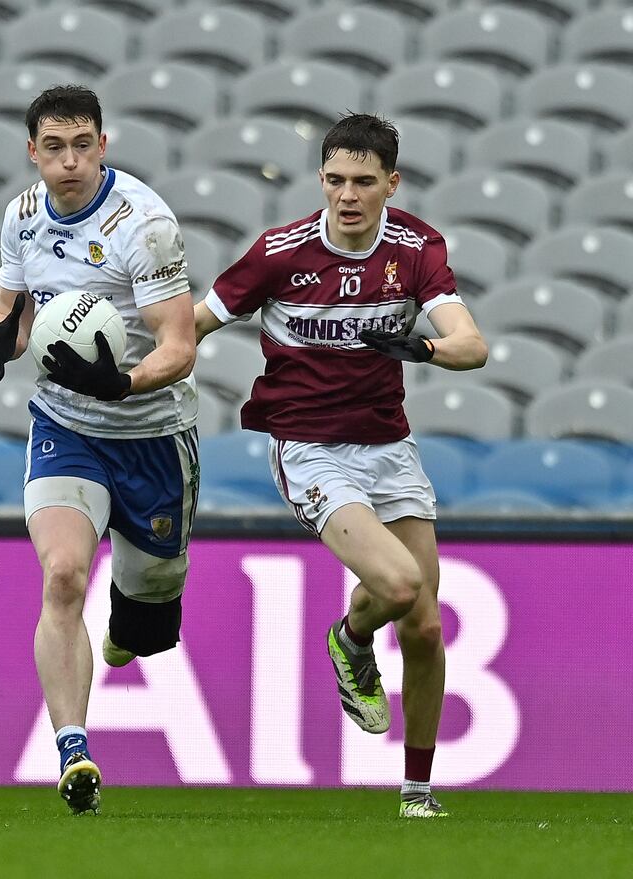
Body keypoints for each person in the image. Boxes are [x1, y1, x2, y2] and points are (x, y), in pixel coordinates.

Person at [194, 113, 488, 818]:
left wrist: (420, 347)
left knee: (422, 625)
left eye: (363, 181)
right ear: (320, 179)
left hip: (389, 447)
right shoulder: (279, 252)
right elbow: (194, 321)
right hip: (310, 446)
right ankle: (350, 640)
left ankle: (417, 791)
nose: (347, 195)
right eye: (334, 180)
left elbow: (471, 345)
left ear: (392, 182)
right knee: (398, 580)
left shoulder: (416, 248)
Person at [0, 85, 199, 815]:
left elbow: (180, 345)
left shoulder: (146, 224)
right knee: (64, 573)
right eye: (53, 147)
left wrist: (122, 381)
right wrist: (0, 336)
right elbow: (12, 305)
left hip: (151, 436)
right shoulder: (23, 216)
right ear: (32, 152)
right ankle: (74, 748)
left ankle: (129, 625)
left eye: (82, 146)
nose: (68, 162)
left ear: (103, 145)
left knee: (147, 610)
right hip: (64, 426)